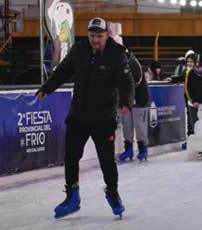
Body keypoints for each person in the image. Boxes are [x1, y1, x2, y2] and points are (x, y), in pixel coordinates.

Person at [36, 17, 134, 219]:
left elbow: (126, 81)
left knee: (107, 160)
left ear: (107, 35)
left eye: (99, 36)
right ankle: (72, 196)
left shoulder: (117, 54)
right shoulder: (79, 49)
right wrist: (47, 88)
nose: (95, 40)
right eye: (92, 36)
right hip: (78, 115)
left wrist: (126, 101)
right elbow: (63, 71)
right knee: (71, 156)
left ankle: (113, 193)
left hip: (104, 117)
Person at [107, 22, 150, 162]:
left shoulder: (131, 60)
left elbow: (137, 80)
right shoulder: (113, 61)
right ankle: (129, 149)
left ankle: (143, 149)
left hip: (139, 98)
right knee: (127, 125)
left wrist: (128, 95)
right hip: (125, 99)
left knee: (140, 125)